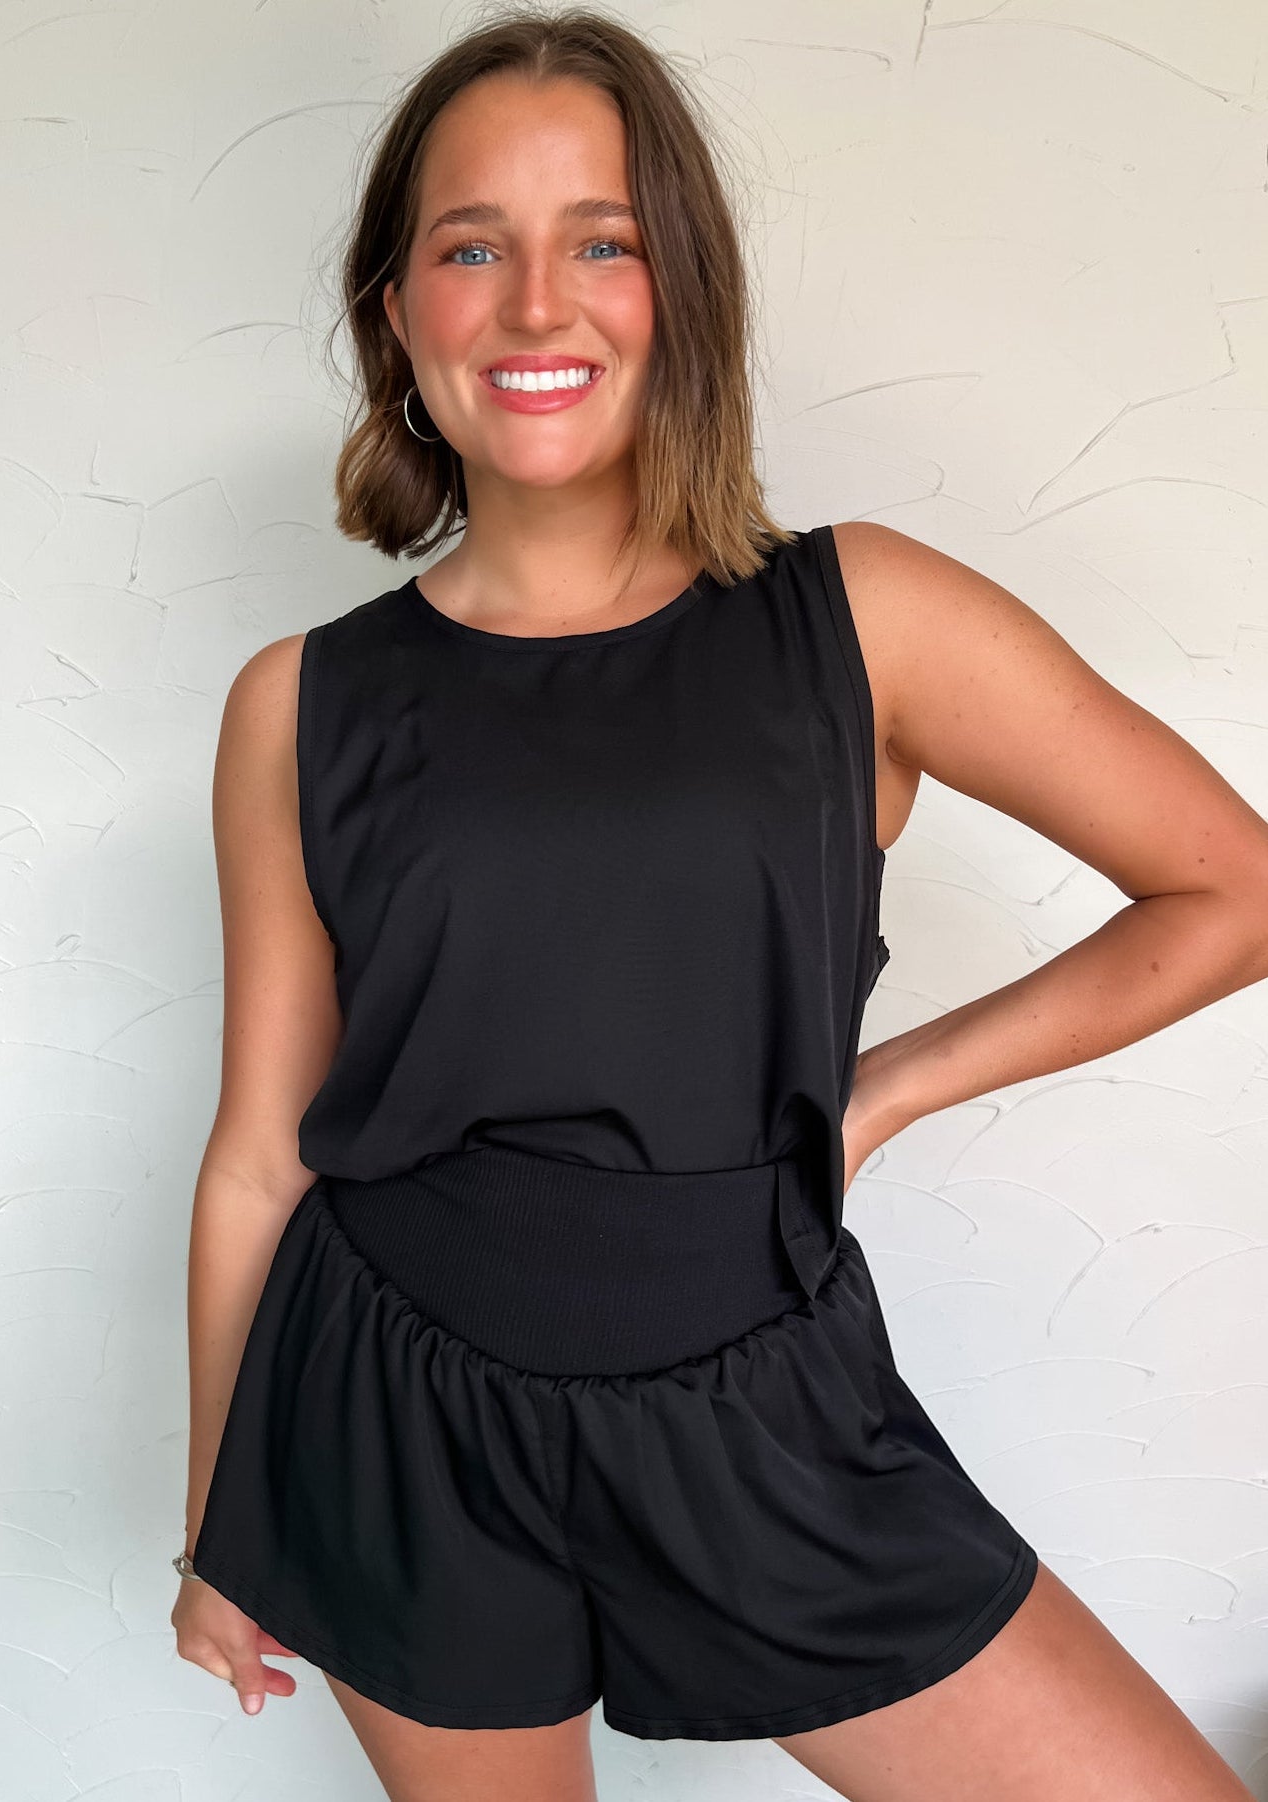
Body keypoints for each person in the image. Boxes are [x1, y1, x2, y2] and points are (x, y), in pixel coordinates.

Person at [170, 8, 1267, 1799]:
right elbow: (256, 1153)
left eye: (602, 239)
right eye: (474, 247)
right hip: (391, 1405)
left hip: (761, 1400)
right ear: (397, 309)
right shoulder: (301, 703)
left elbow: (1234, 887)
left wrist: (886, 1087)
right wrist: (218, 1518)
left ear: (681, 284)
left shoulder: (859, 621)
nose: (539, 305)